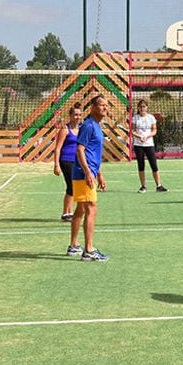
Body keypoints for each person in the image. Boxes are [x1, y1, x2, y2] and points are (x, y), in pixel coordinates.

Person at [68, 94, 110, 261]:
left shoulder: (97, 126)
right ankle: (89, 250)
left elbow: (93, 153)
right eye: (101, 105)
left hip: (89, 172)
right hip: (83, 174)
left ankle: (73, 246)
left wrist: (99, 174)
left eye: (106, 105)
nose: (105, 108)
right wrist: (87, 172)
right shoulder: (88, 125)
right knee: (91, 209)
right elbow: (80, 150)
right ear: (92, 107)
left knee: (80, 209)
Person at [53, 103, 83, 221]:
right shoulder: (65, 129)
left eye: (79, 115)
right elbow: (58, 148)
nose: (77, 117)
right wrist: (56, 165)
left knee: (75, 186)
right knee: (71, 186)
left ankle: (70, 211)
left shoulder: (81, 129)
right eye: (75, 115)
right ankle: (66, 213)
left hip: (77, 160)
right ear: (70, 115)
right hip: (66, 160)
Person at [131, 99, 167, 193]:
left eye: (144, 106)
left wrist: (147, 136)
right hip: (138, 144)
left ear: (147, 107)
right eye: (141, 106)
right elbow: (133, 131)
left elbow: (154, 130)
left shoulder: (151, 117)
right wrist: (139, 136)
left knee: (154, 164)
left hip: (149, 144)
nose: (142, 108)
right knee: (141, 165)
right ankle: (143, 186)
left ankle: (158, 185)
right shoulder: (135, 118)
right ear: (138, 108)